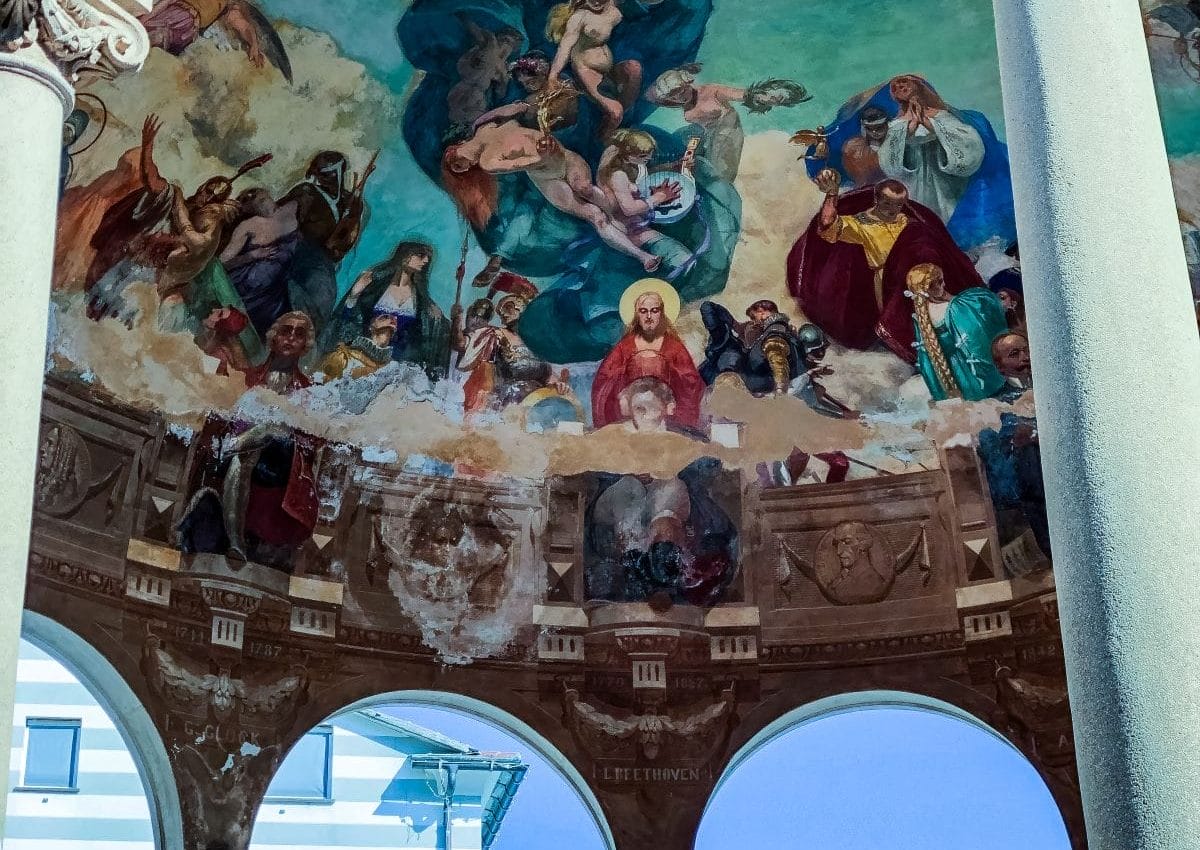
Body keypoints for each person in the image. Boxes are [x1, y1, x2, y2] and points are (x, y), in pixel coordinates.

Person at [787, 168, 983, 361]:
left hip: (923, 277)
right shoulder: (861, 224)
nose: (892, 210)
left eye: (898, 205)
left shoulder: (905, 219)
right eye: (888, 203)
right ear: (877, 199)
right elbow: (827, 226)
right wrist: (832, 194)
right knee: (910, 323)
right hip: (890, 283)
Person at [441, 119, 662, 271]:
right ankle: (643, 257)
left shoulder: (485, 126)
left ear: (458, 145)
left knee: (585, 188)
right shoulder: (488, 162)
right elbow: (521, 164)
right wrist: (543, 154)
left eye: (461, 163)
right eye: (463, 168)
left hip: (567, 159)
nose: (467, 165)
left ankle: (627, 220)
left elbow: (514, 111)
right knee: (595, 216)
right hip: (548, 179)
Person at [645, 63, 810, 182]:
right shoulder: (686, 110)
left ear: (688, 83)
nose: (680, 97)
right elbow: (650, 96)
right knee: (691, 163)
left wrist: (764, 97)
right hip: (708, 136)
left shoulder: (711, 91)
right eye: (674, 96)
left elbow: (742, 94)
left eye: (681, 91)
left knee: (720, 175)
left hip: (728, 133)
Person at [320, 241, 451, 379]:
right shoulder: (375, 285)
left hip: (399, 368)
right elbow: (349, 319)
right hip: (364, 360)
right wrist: (354, 295)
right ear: (405, 256)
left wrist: (443, 321)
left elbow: (433, 337)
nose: (426, 261)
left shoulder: (423, 301)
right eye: (421, 255)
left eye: (428, 258)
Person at [276, 150, 374, 331]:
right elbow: (278, 217)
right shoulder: (306, 192)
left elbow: (348, 236)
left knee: (320, 300)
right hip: (297, 254)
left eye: (329, 174)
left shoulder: (351, 201)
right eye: (321, 174)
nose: (323, 179)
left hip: (324, 262)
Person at [591, 279, 705, 429]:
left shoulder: (674, 347)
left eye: (654, 310)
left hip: (664, 416)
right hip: (632, 413)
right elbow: (604, 381)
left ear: (661, 313)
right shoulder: (625, 347)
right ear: (637, 314)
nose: (649, 316)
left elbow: (691, 383)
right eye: (643, 311)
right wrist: (624, 393)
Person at [877, 75, 985, 227]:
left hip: (943, 180)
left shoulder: (942, 115)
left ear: (918, 86)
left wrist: (927, 122)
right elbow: (887, 157)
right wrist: (911, 126)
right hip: (914, 181)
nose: (902, 88)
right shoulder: (895, 124)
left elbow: (969, 141)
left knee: (946, 217)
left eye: (905, 83)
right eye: (897, 87)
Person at [454, 274, 565, 410]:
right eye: (500, 312)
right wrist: (456, 320)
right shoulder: (494, 335)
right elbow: (461, 345)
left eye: (507, 308)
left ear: (521, 307)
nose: (502, 314)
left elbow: (547, 375)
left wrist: (557, 383)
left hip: (538, 406)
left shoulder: (537, 342)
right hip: (507, 408)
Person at [906, 263, 1009, 401]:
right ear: (930, 288)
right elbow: (974, 335)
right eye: (940, 281)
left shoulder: (919, 316)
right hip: (965, 369)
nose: (944, 284)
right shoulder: (952, 307)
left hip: (945, 373)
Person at [596, 129, 690, 269]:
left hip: (643, 219)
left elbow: (644, 174)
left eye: (649, 154)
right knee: (682, 258)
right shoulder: (618, 176)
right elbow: (629, 209)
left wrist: (672, 166)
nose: (649, 158)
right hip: (631, 229)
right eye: (643, 156)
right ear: (627, 156)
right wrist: (660, 196)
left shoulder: (633, 164)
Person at [545, 0, 641, 137]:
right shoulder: (579, 17)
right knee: (616, 112)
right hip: (587, 70)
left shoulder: (613, 8)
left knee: (634, 68)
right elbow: (565, 47)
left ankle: (618, 119)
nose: (596, 2)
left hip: (607, 69)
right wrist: (553, 75)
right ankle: (602, 138)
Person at [219, 187, 302, 337]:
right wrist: (252, 255)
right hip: (249, 291)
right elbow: (223, 263)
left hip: (276, 291)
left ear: (269, 195)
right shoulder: (247, 226)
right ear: (246, 208)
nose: (253, 198)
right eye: (247, 199)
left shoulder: (290, 209)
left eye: (257, 195)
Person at [138, 0, 291, 80]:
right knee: (150, 38)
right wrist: (144, 19)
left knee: (153, 46)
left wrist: (254, 46)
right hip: (177, 15)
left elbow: (243, 26)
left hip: (188, 29)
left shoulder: (227, 5)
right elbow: (167, 1)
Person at [698, 299, 804, 397]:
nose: (754, 321)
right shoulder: (762, 328)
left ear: (762, 312)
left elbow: (778, 363)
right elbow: (708, 307)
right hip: (753, 376)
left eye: (754, 317)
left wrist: (780, 391)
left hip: (762, 383)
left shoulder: (774, 333)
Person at [473, 51, 580, 134]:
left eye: (531, 82)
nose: (527, 87)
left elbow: (516, 109)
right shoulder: (562, 83)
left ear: (543, 73)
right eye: (523, 84)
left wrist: (478, 122)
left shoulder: (560, 85)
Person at [446, 15, 524, 129]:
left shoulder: (504, 67)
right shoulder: (490, 46)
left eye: (512, 45)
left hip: (479, 96)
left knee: (473, 124)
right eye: (505, 40)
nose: (506, 47)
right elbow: (473, 29)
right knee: (455, 117)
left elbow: (500, 93)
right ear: (499, 38)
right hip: (463, 88)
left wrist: (503, 79)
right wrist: (462, 16)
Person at [244, 311, 314, 393]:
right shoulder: (247, 376)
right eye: (285, 331)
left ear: (305, 344)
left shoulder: (305, 388)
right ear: (274, 337)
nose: (291, 338)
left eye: (299, 334)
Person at [317, 314, 398, 380]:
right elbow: (322, 382)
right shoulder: (343, 356)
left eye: (390, 333)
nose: (387, 336)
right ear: (373, 330)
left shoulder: (391, 365)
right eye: (383, 332)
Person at [840, 105, 889, 187]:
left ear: (886, 125)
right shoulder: (852, 147)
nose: (874, 132)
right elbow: (850, 169)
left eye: (879, 128)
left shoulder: (893, 144)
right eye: (869, 128)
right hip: (864, 186)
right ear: (864, 128)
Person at [991, 330, 1033, 401]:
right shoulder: (998, 401)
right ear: (999, 366)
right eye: (1014, 353)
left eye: (1027, 350)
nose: (1026, 357)